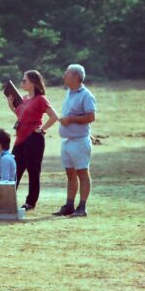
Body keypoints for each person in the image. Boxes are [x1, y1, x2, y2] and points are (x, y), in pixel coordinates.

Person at [6, 70, 58, 210]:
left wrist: (42, 129)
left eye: (24, 81)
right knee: (14, 170)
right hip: (20, 139)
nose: (21, 83)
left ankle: (30, 202)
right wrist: (12, 107)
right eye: (22, 80)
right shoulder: (24, 99)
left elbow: (54, 116)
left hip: (33, 139)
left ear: (34, 83)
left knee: (33, 171)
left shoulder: (41, 99)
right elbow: (22, 117)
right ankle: (7, 199)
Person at [53, 64, 96, 217]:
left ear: (76, 77)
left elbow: (91, 117)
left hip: (79, 140)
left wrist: (70, 119)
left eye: (67, 74)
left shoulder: (86, 95)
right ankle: (69, 205)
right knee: (70, 173)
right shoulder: (69, 93)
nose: (64, 76)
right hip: (67, 141)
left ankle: (82, 207)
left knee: (82, 172)